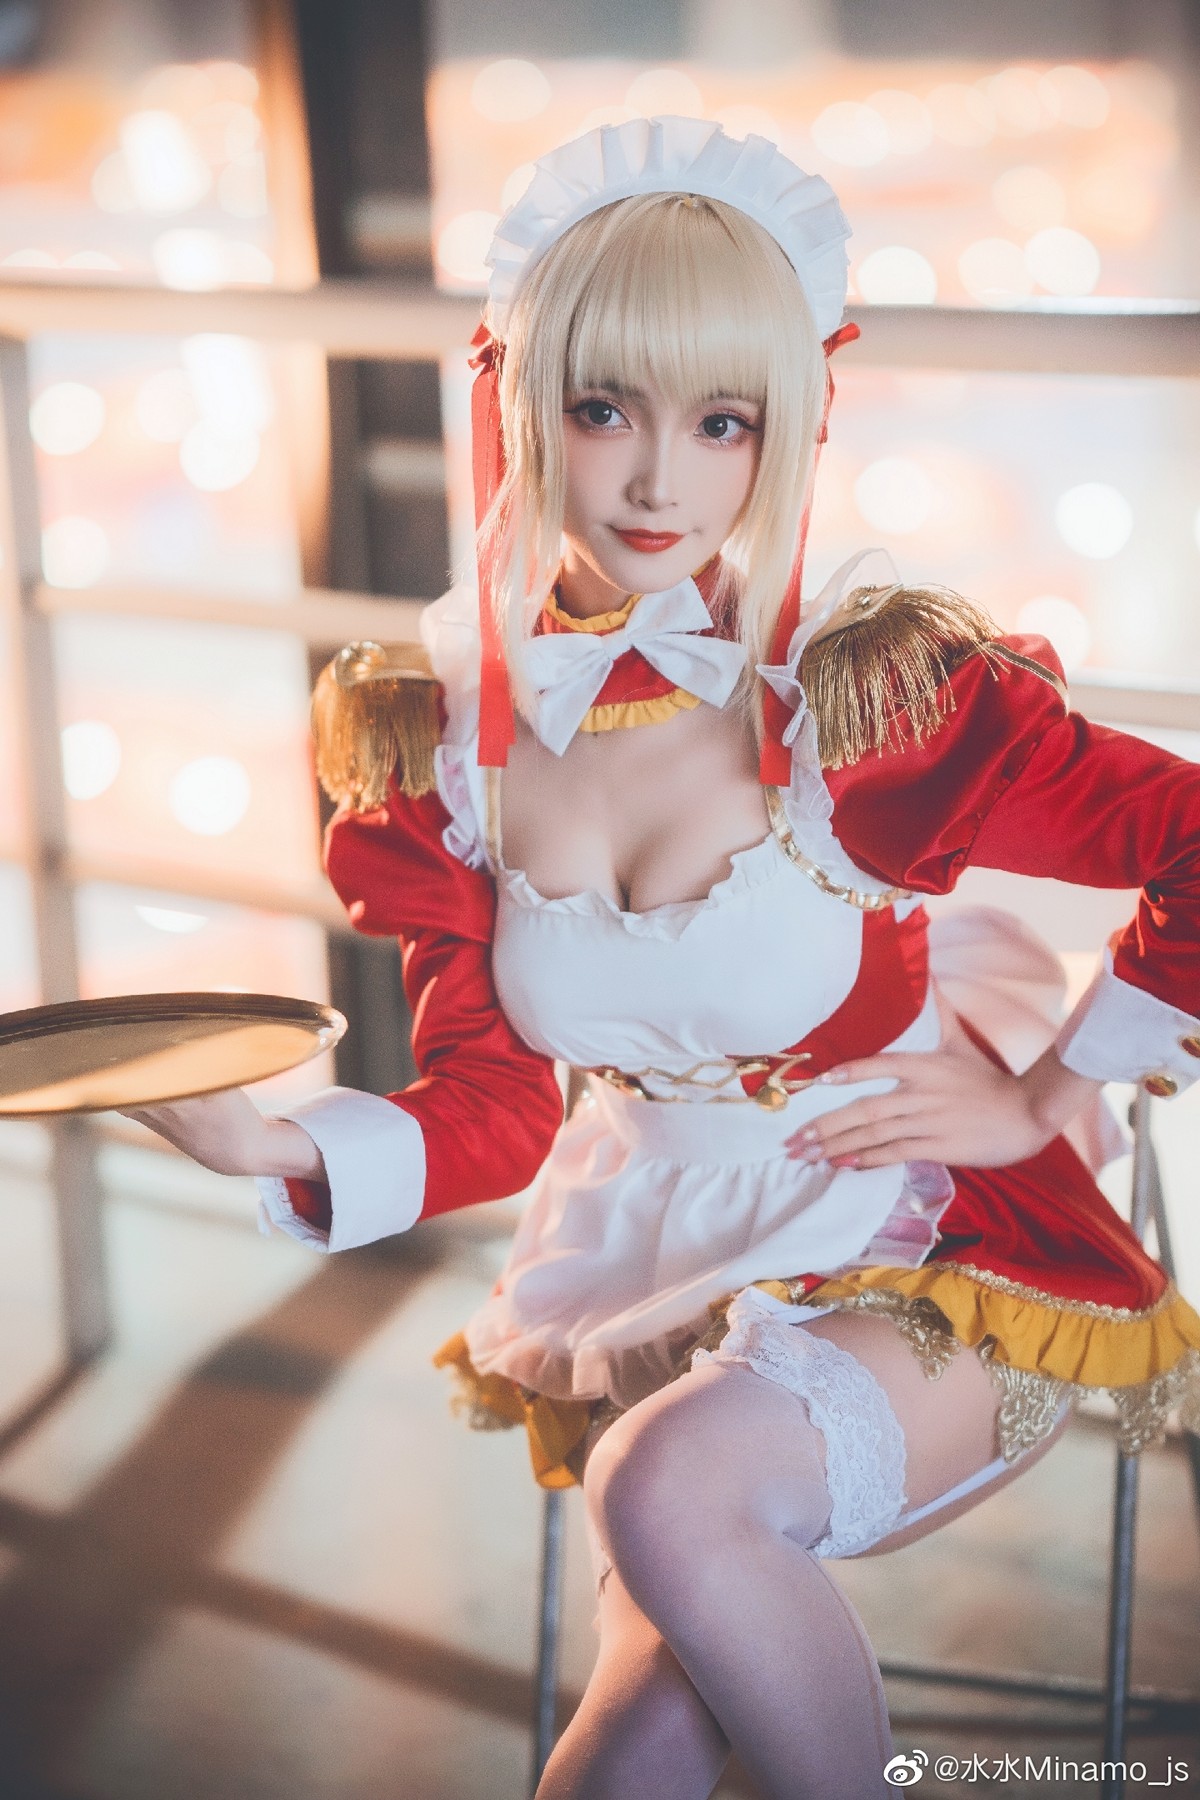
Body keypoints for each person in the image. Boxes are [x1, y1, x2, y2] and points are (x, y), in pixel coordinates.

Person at [126, 117, 1200, 1799]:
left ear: (789, 426)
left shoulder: (866, 707)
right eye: (603, 407)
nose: (656, 483)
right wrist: (266, 1144)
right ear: (519, 402)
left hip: (930, 1253)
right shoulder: (446, 753)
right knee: (635, 1718)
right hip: (654, 1277)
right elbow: (496, 1102)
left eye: (723, 423)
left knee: (667, 1491)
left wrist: (1045, 1091)